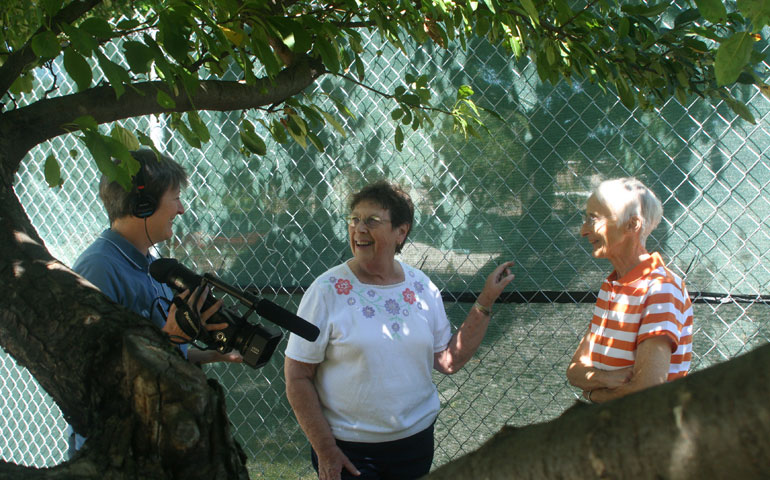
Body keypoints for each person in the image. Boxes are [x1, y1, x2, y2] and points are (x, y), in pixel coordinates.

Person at [284, 180, 515, 480]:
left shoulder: (421, 287)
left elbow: (448, 360)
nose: (359, 229)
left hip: (414, 446)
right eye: (354, 220)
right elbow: (297, 376)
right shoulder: (326, 291)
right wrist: (326, 449)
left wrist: (485, 301)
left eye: (372, 221)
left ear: (401, 232)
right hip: (350, 453)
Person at [68, 148, 240, 456]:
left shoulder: (152, 264)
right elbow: (97, 370)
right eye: (175, 197)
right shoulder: (99, 269)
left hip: (151, 443)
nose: (182, 209)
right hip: (113, 453)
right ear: (142, 205)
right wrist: (171, 336)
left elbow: (158, 350)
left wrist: (212, 352)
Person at [567, 177, 693, 404]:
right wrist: (607, 378)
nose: (583, 230)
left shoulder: (661, 289)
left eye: (593, 219)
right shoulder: (612, 285)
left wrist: (594, 393)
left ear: (632, 225)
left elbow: (647, 389)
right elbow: (575, 371)